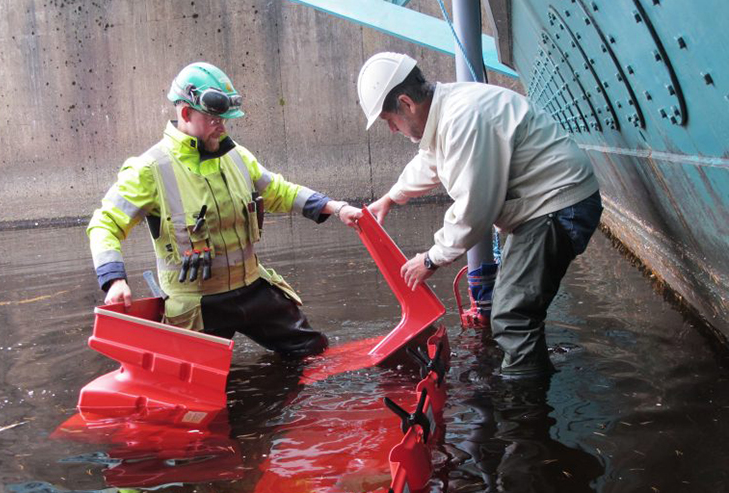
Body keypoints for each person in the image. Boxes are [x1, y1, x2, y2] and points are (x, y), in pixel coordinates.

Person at [88, 62, 361, 358]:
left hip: (252, 288)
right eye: (214, 119)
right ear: (185, 113)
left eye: (225, 119)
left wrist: (335, 207)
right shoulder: (149, 169)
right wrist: (114, 281)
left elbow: (278, 191)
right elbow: (104, 225)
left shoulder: (236, 156)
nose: (223, 126)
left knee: (312, 351)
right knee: (198, 385)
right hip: (197, 305)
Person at [357, 52, 603, 378]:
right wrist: (390, 197)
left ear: (406, 102)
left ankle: (522, 411)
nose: (392, 129)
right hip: (544, 205)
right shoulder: (447, 113)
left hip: (557, 205)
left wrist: (431, 259)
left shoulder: (462, 118)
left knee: (513, 315)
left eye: (390, 119)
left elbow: (474, 208)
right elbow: (430, 162)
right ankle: (529, 374)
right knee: (513, 308)